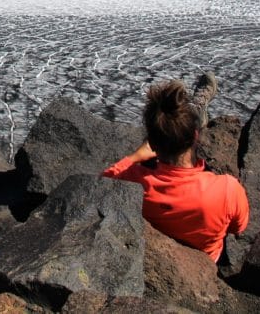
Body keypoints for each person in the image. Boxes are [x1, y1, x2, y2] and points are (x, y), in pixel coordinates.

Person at [102, 79, 249, 262]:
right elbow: (239, 227)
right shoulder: (228, 189)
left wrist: (135, 157)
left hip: (154, 259)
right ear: (196, 135)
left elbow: (101, 185)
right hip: (206, 264)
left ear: (152, 144)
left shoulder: (134, 183)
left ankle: (197, 107)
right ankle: (197, 108)